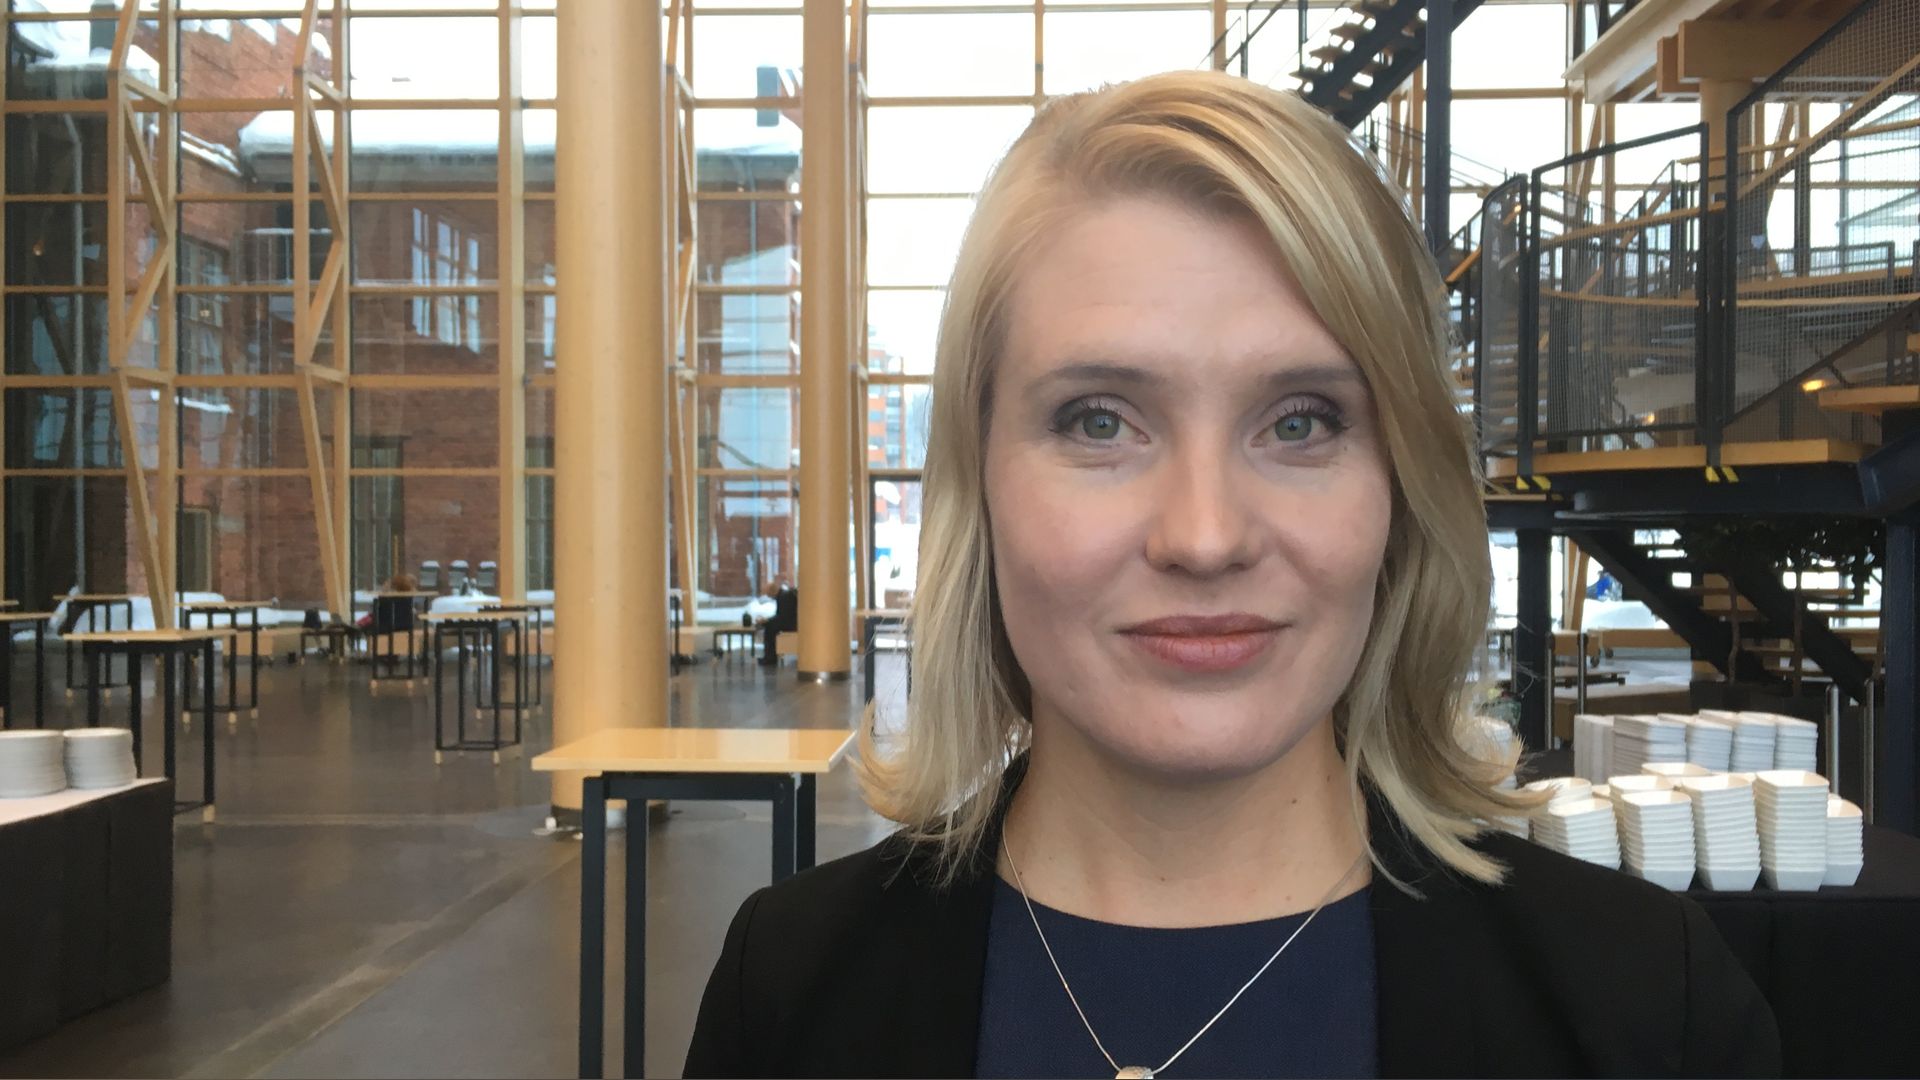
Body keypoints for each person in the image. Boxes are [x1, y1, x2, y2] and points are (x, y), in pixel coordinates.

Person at [685, 72, 1779, 1078]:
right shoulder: (787, 995)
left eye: (1300, 422)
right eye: (1100, 421)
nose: (1205, 537)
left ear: (1400, 489)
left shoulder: (1650, 1012)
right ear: (980, 485)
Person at [758, 578, 798, 666]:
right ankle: (769, 657)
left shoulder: (783, 597)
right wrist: (768, 620)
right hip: (791, 622)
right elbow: (781, 615)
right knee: (769, 625)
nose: (768, 596)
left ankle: (770, 658)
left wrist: (767, 621)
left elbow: (782, 617)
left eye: (768, 594)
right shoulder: (783, 596)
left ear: (772, 592)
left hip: (791, 624)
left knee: (769, 628)